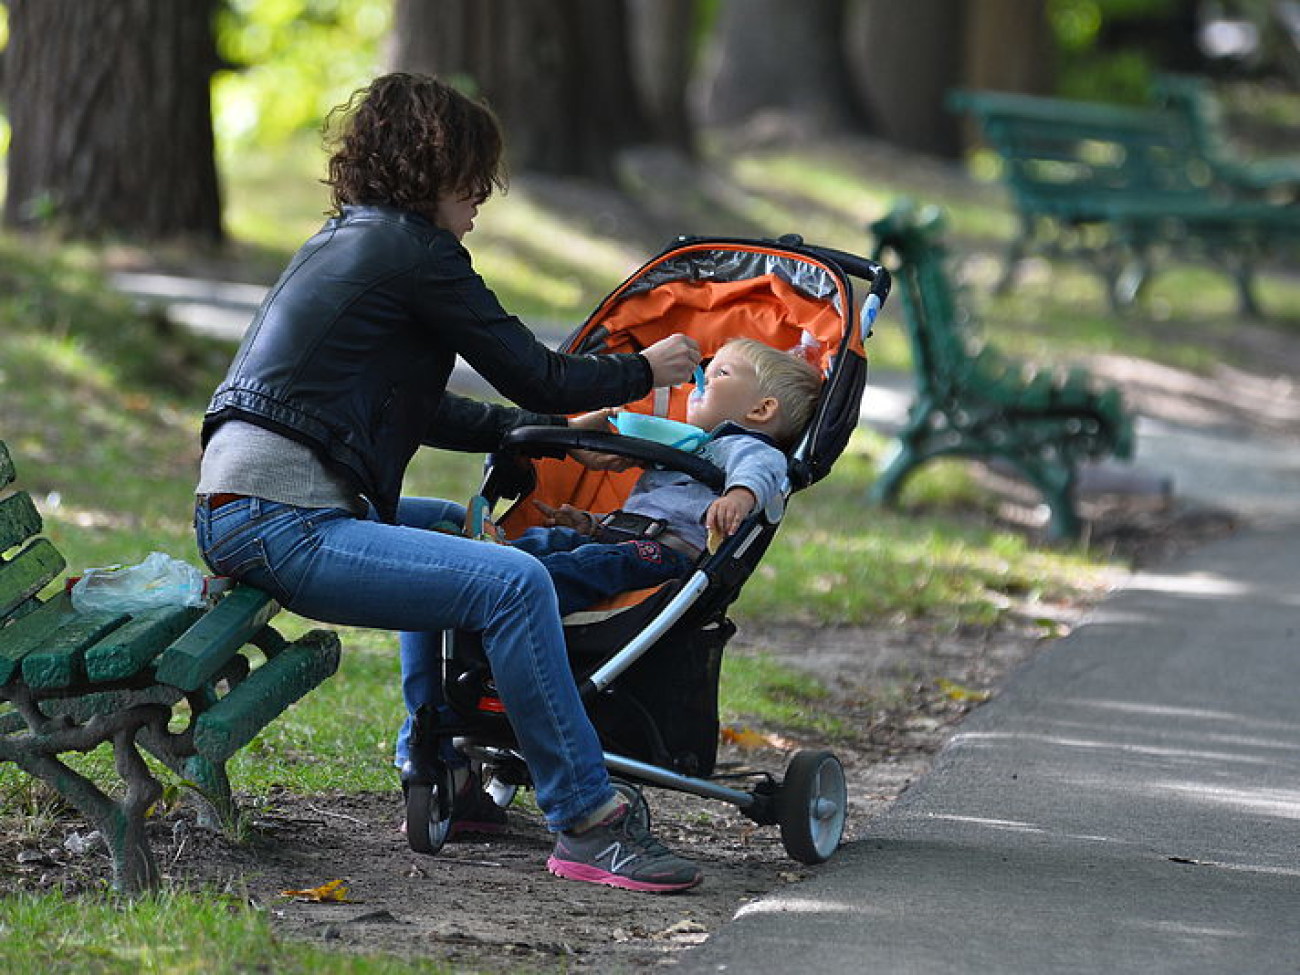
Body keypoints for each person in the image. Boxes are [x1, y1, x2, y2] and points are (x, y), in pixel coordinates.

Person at [193, 73, 707, 894]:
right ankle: (588, 822)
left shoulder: (348, 241)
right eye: (475, 178)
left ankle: (440, 763)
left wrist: (535, 437)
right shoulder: (418, 255)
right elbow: (537, 372)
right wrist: (641, 368)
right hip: (283, 519)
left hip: (248, 509)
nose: (482, 198)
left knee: (442, 534)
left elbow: (417, 406)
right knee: (515, 582)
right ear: (434, 167)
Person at [508, 338, 825, 617]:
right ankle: (494, 559)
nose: (703, 378)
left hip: (667, 554)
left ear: (761, 409)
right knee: (554, 541)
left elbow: (763, 469)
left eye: (722, 373)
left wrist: (739, 496)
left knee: (593, 564)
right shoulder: (695, 446)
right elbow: (654, 510)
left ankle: (510, 592)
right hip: (626, 537)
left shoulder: (747, 447)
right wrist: (591, 523)